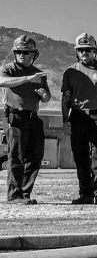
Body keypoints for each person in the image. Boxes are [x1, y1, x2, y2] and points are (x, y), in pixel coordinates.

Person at [61, 33, 97, 206]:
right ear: (76, 52)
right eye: (81, 50)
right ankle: (85, 194)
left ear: (95, 51)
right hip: (78, 116)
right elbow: (66, 98)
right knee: (80, 157)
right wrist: (65, 121)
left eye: (88, 49)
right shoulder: (70, 72)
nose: (84, 53)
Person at [0, 35, 51, 205]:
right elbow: (2, 82)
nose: (22, 55)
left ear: (34, 54)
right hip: (15, 116)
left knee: (35, 156)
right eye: (19, 52)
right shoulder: (8, 69)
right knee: (16, 156)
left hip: (33, 117)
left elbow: (46, 98)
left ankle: (24, 193)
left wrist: (44, 96)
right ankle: (14, 195)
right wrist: (28, 79)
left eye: (26, 52)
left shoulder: (39, 74)